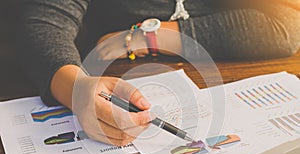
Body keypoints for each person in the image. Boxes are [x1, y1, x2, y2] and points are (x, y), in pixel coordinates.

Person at [19, 0, 300, 146]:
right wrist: (76, 89)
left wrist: (148, 37)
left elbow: (286, 27)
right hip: (112, 77)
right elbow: (43, 24)